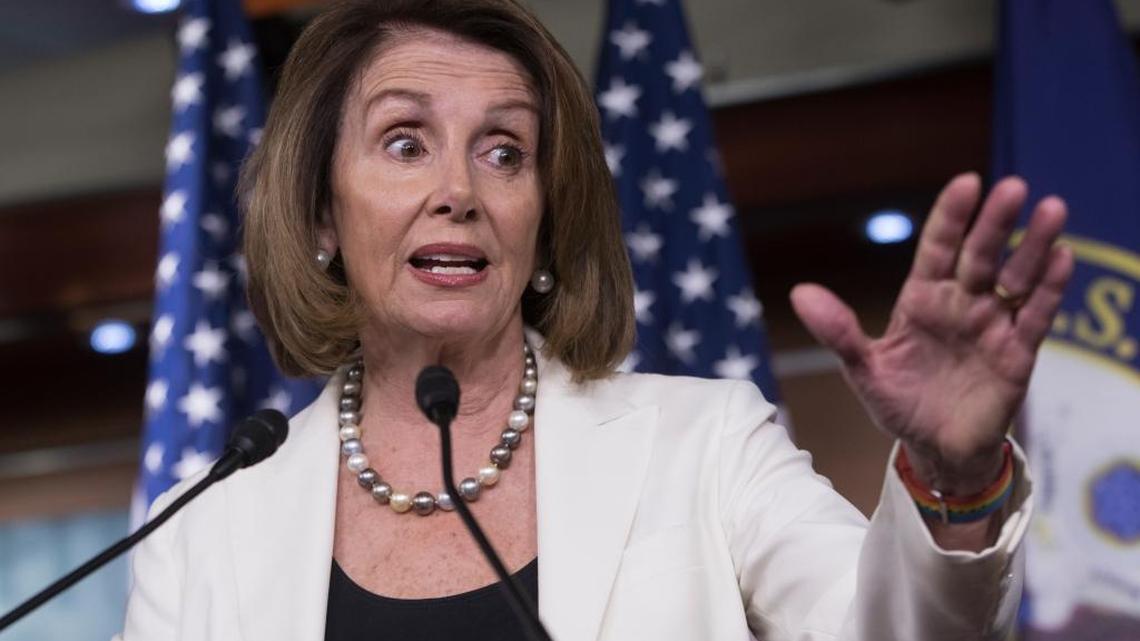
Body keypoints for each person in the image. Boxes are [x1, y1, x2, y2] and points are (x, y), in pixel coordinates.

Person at [117, 0, 1073, 639]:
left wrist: (958, 478)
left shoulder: (704, 442)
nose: (458, 189)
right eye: (405, 142)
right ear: (322, 213)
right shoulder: (203, 524)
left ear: (544, 211)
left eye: (504, 152)